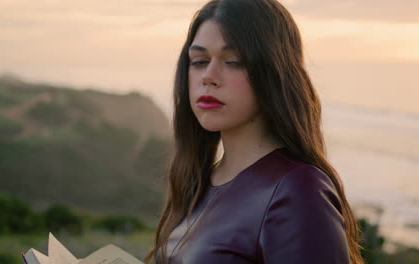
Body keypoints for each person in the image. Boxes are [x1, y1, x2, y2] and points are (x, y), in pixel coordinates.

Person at [144, 0, 364, 263]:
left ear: (273, 72)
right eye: (200, 61)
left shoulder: (297, 191)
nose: (209, 76)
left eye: (233, 61)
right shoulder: (200, 182)